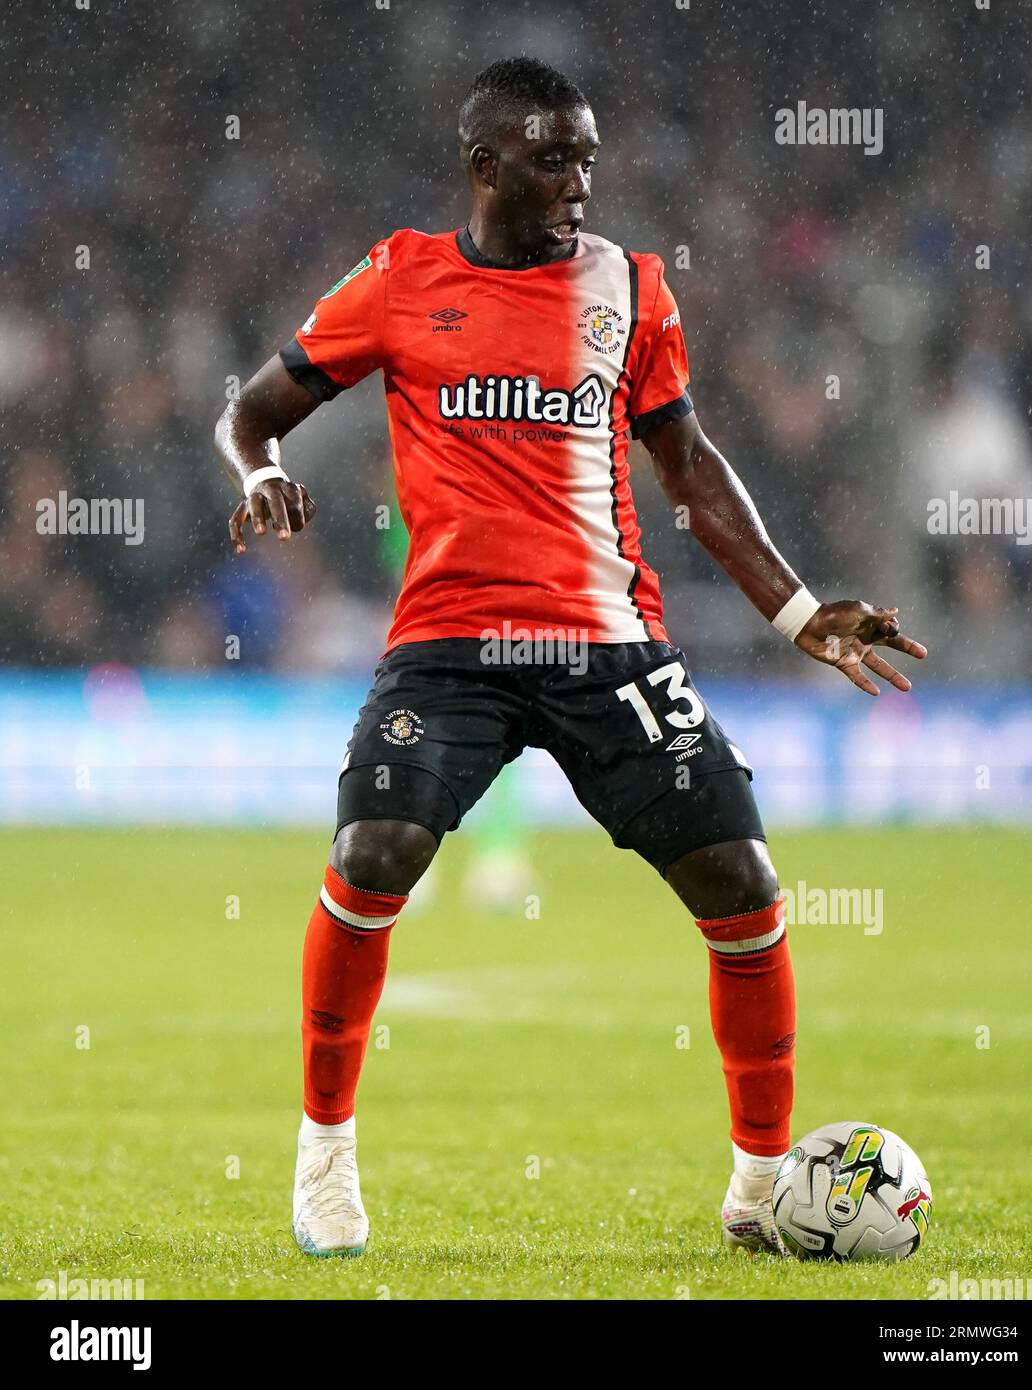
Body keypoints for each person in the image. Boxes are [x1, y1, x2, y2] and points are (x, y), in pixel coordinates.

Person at [214, 57, 927, 1258]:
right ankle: (324, 1157)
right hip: (448, 645)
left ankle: (761, 1193)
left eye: (589, 157)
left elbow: (688, 466)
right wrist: (265, 472)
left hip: (606, 642)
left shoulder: (633, 289)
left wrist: (798, 611)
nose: (581, 181)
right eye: (555, 158)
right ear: (486, 167)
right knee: (371, 852)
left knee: (744, 886)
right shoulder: (398, 276)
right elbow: (253, 409)